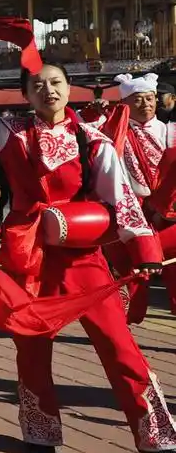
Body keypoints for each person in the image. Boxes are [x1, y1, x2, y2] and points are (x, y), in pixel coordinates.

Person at [0, 55, 176, 453]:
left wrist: (145, 249)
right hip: (29, 257)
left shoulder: (92, 139)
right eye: (38, 85)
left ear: (68, 88)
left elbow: (121, 198)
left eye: (56, 82)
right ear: (27, 94)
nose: (48, 90)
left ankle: (155, 433)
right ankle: (40, 431)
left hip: (83, 259)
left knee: (118, 343)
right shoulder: (8, 132)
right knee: (31, 347)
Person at [92, 73, 176, 323]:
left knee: (170, 265)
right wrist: (96, 114)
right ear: (125, 103)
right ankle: (128, 316)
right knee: (130, 267)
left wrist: (163, 208)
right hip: (129, 208)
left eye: (149, 98)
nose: (145, 104)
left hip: (167, 209)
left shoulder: (170, 131)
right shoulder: (113, 130)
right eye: (137, 99)